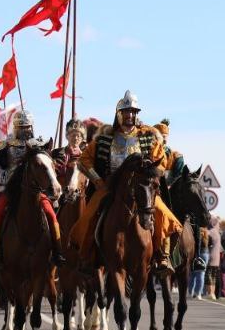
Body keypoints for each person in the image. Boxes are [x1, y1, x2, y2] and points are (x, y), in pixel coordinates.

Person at [74, 91, 182, 274]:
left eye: (133, 112)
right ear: (119, 114)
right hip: (111, 187)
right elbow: (84, 160)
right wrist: (97, 179)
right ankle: (87, 255)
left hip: (142, 186)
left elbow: (161, 160)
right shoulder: (105, 138)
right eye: (126, 111)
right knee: (90, 215)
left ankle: (163, 257)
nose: (130, 115)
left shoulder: (148, 136)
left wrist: (151, 173)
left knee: (163, 214)